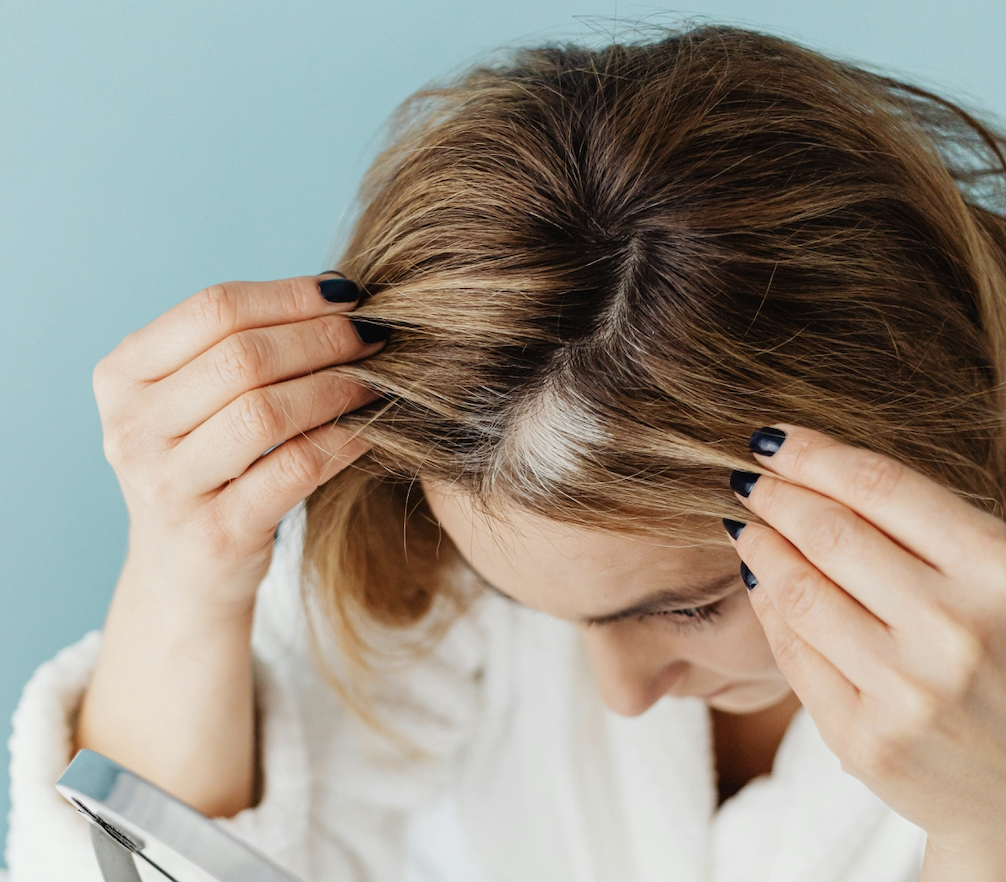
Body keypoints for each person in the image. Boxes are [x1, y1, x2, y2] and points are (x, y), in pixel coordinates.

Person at [7, 23, 1006, 882]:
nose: (620, 696)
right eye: (536, 607)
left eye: (689, 606)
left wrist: (986, 827)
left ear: (912, 440)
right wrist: (184, 571)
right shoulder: (422, 593)